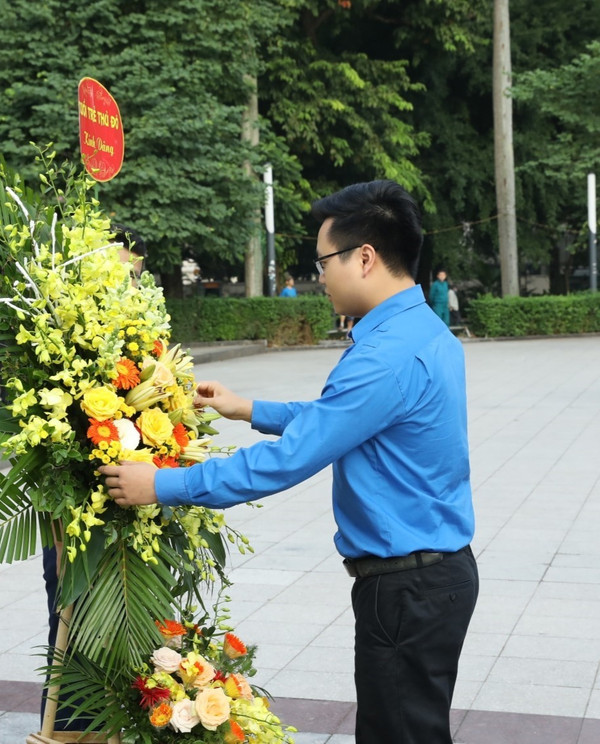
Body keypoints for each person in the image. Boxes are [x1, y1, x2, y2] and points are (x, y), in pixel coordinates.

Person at [101, 180, 478, 744]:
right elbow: (346, 417)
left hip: (407, 589)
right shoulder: (421, 331)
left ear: (366, 258)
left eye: (324, 260)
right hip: (432, 576)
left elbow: (287, 462)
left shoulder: (383, 356)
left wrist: (163, 484)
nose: (319, 275)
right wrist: (248, 407)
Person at [39, 222, 147, 733]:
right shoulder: (59, 332)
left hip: (139, 514)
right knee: (73, 633)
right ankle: (73, 730)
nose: (125, 287)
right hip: (75, 519)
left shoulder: (144, 337)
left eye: (134, 277)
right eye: (116, 275)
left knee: (135, 630)